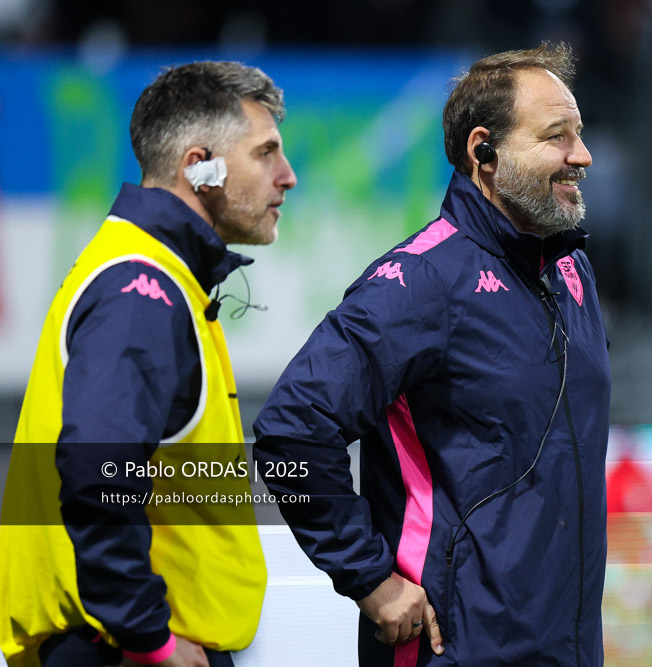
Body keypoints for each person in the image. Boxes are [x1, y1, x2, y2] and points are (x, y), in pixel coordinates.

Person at [253, 42, 611, 665]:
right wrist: (369, 578)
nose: (581, 156)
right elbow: (290, 433)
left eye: (578, 134)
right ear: (485, 152)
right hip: (453, 651)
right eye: (557, 137)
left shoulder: (571, 270)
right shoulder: (421, 282)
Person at [0, 61, 297, 667]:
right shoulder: (143, 288)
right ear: (199, 166)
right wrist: (148, 638)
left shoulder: (143, 274)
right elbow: (96, 473)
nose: (287, 177)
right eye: (265, 153)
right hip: (123, 652)